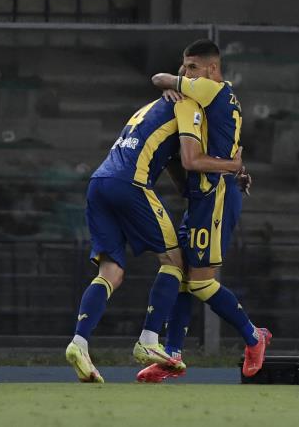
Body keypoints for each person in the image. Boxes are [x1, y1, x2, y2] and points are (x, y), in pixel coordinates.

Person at [65, 90, 244, 383]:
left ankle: (79, 343)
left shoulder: (150, 108)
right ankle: (149, 340)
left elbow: (174, 166)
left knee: (110, 271)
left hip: (99, 182)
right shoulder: (188, 106)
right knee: (175, 261)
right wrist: (231, 167)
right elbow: (191, 159)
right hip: (131, 183)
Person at [134, 39, 271, 382]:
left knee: (200, 282)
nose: (186, 72)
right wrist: (236, 167)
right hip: (205, 194)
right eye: (184, 66)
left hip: (217, 195)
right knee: (182, 275)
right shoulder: (218, 97)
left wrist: (172, 84)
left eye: (192, 67)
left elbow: (159, 78)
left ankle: (254, 336)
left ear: (212, 68)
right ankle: (172, 356)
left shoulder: (210, 89)